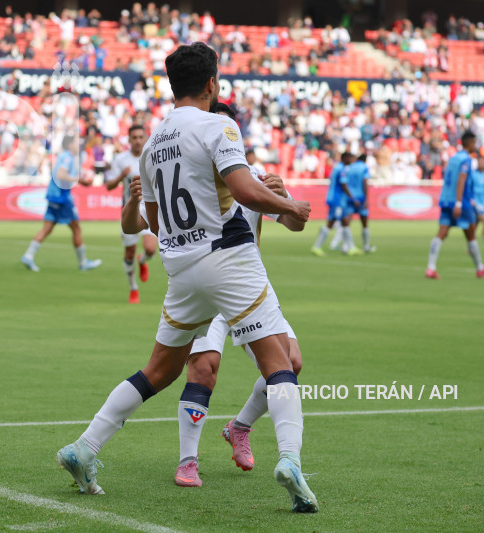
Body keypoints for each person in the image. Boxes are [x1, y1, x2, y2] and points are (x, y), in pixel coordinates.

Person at [56, 42, 317, 513]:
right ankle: (291, 460)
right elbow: (241, 190)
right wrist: (289, 206)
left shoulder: (153, 144)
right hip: (228, 257)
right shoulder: (220, 125)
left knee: (159, 370)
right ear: (212, 83)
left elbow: (152, 222)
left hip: (181, 268)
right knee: (279, 360)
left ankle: (84, 448)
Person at [166, 102, 305, 487]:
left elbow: (295, 224)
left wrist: (285, 198)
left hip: (248, 287)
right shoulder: (192, 178)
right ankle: (187, 460)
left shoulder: (254, 177)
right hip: (208, 283)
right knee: (204, 367)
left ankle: (239, 427)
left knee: (290, 363)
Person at [20, 135, 102, 272]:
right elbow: (61, 175)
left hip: (53, 196)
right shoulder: (68, 157)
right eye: (76, 143)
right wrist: (79, 180)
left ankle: (28, 256)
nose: (78, 146)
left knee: (47, 228)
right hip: (61, 198)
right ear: (69, 145)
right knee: (76, 228)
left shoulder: (63, 156)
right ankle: (83, 263)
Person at [426, 132, 484, 279]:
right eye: (474, 143)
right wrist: (458, 202)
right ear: (469, 143)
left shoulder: (453, 158)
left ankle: (430, 268)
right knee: (471, 233)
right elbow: (461, 180)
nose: (475, 146)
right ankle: (479, 268)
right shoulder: (466, 159)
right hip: (460, 202)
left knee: (442, 233)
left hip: (445, 199)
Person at [105, 125, 157, 304]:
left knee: (150, 248)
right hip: (130, 211)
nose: (137, 140)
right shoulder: (121, 159)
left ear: (145, 138)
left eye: (140, 137)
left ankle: (142, 261)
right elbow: (109, 186)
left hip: (150, 209)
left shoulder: (153, 156)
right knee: (129, 252)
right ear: (129, 140)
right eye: (133, 137)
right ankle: (133, 288)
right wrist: (121, 176)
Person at [311, 152, 356, 256]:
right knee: (331, 223)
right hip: (337, 200)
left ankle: (350, 247)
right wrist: (352, 198)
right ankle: (316, 246)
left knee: (345, 222)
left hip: (339, 200)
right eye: (351, 158)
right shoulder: (341, 169)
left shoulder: (338, 168)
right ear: (346, 158)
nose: (352, 161)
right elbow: (344, 185)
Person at [342, 153, 376, 254]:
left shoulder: (349, 167)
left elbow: (345, 182)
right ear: (365, 160)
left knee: (347, 222)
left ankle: (345, 246)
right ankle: (366, 246)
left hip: (350, 197)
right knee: (364, 223)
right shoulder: (364, 167)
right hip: (361, 197)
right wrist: (366, 199)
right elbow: (365, 182)